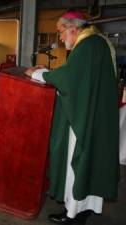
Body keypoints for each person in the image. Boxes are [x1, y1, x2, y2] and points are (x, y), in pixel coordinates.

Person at [25, 10, 119, 224]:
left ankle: (73, 214)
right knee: (90, 163)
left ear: (73, 29)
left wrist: (38, 74)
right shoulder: (96, 42)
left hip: (83, 121)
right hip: (95, 117)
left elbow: (70, 80)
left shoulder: (87, 46)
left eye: (61, 31)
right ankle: (86, 208)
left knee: (76, 163)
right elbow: (78, 75)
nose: (59, 37)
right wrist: (50, 71)